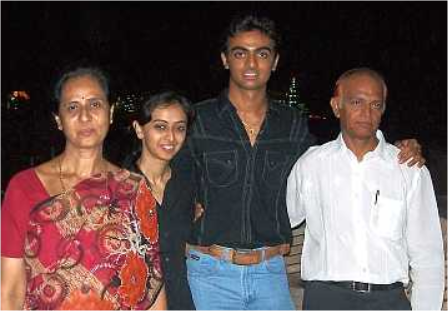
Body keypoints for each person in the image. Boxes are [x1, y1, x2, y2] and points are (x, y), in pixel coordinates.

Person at [178, 14, 425, 311]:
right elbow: (162, 173)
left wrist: (399, 148)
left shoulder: (291, 124)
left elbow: (332, 165)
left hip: (270, 272)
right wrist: (182, 207)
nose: (252, 64)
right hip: (210, 271)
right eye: (240, 53)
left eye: (263, 53)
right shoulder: (198, 119)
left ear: (275, 61)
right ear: (225, 59)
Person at [0, 67, 167, 311]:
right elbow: (10, 289)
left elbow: (150, 285)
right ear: (58, 120)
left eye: (95, 104)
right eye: (72, 107)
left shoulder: (133, 190)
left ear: (110, 113)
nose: (85, 116)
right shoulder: (24, 187)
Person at [286, 67, 444, 311]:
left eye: (376, 105)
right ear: (337, 106)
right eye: (356, 102)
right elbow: (279, 218)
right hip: (326, 299)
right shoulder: (311, 165)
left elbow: (427, 256)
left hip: (388, 300)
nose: (366, 113)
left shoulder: (408, 168)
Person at [124, 91, 196, 311]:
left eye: (180, 128)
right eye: (160, 127)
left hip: (185, 297)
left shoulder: (190, 185)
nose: (171, 137)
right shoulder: (118, 188)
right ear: (139, 129)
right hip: (135, 302)